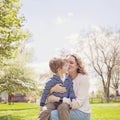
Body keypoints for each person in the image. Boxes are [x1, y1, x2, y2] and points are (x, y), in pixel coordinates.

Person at [47, 54, 91, 120]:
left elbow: (76, 104)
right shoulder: (64, 78)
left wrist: (59, 99)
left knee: (54, 114)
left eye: (71, 63)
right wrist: (53, 89)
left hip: (82, 112)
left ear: (77, 66)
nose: (68, 64)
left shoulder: (83, 78)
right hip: (66, 107)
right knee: (46, 111)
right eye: (66, 62)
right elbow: (46, 95)